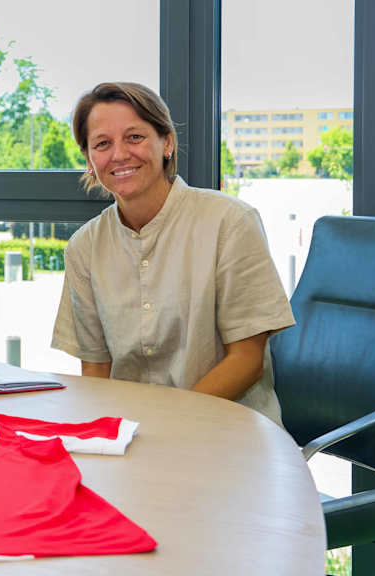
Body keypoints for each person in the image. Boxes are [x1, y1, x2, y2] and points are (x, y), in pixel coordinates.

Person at [51, 82, 294, 425]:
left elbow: (247, 360)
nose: (119, 154)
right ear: (90, 161)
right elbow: (95, 368)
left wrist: (168, 423)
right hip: (134, 437)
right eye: (102, 144)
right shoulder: (83, 247)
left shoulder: (231, 222)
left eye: (134, 137)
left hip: (231, 435)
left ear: (167, 142)